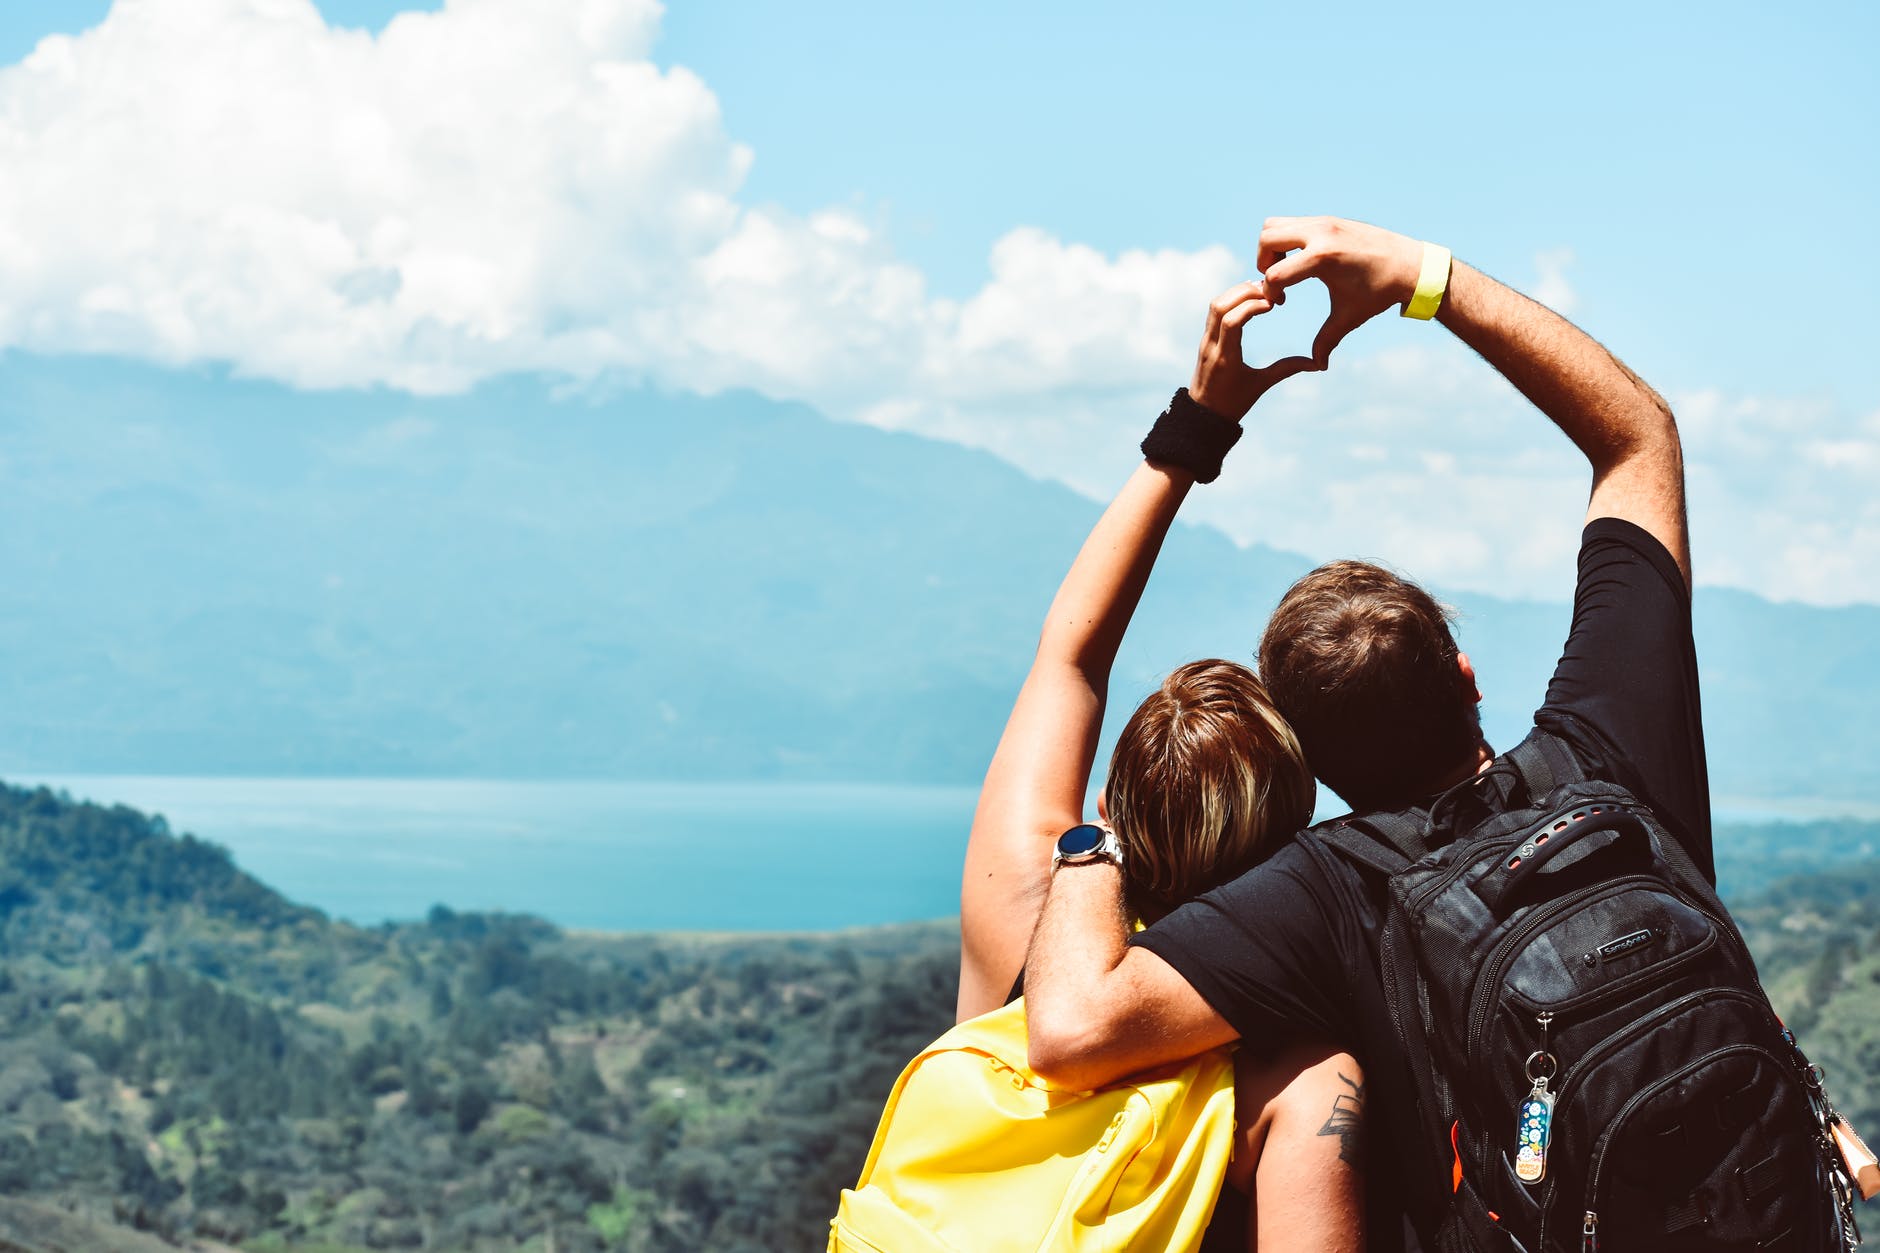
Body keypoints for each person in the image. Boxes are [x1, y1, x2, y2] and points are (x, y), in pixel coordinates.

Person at [1021, 215, 1706, 1252]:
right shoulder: (1609, 750)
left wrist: (1096, 839)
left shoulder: (1326, 891)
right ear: (1465, 678)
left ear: (1311, 761)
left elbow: (1069, 1025)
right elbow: (1636, 433)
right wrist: (1420, 279)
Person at [957, 279, 1365, 1249]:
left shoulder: (1018, 911)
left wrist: (1198, 423)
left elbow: (1070, 652)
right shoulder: (1298, 1072)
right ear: (1288, 841)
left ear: (1108, 803)